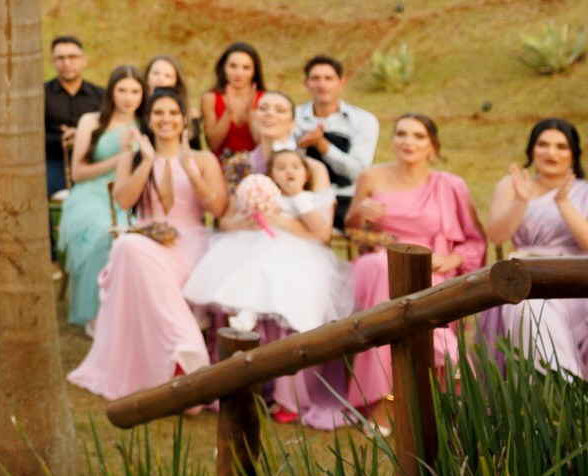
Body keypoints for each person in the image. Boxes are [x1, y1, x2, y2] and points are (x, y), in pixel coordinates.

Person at [67, 88, 226, 401]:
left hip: (189, 240)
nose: (165, 119)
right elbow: (125, 199)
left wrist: (190, 169)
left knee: (129, 249)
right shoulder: (135, 156)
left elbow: (217, 209)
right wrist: (147, 162)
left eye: (172, 113)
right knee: (128, 247)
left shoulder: (204, 159)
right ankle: (185, 349)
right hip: (146, 237)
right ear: (148, 120)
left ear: (184, 120)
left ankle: (181, 356)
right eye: (158, 113)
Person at [181, 145, 353, 426]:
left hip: (298, 252)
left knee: (274, 277)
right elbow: (230, 221)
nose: (288, 172)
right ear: (270, 174)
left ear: (306, 174)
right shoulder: (260, 193)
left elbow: (318, 231)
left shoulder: (308, 198)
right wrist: (253, 216)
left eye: (295, 167)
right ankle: (234, 345)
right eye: (281, 167)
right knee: (250, 268)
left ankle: (286, 393)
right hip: (257, 245)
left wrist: (292, 203)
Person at [344, 114, 485, 414]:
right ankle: (383, 402)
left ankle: (415, 397)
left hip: (431, 268)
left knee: (407, 293)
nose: (408, 141)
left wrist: (450, 259)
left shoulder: (450, 185)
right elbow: (353, 230)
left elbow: (475, 240)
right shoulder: (372, 177)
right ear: (393, 140)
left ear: (432, 147)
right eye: (401, 134)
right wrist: (360, 213)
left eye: (418, 136)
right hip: (378, 264)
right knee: (385, 269)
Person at [482, 118, 588, 376]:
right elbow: (496, 235)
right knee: (528, 308)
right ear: (532, 149)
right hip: (527, 275)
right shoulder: (512, 185)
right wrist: (521, 200)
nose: (551, 153)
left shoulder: (583, 191)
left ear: (573, 153)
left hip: (575, 280)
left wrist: (563, 202)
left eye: (561, 146)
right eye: (543, 144)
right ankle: (562, 381)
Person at [57, 65, 145, 327]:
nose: (128, 97)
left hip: (129, 193)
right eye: (122, 90)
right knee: (103, 233)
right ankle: (95, 314)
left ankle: (129, 310)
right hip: (91, 193)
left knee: (135, 234)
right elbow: (79, 172)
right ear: (111, 92)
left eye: (135, 91)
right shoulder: (91, 121)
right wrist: (120, 157)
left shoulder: (146, 124)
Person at [293, 55, 379, 230]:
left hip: (345, 197)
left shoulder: (363, 120)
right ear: (306, 83)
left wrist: (323, 146)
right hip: (303, 195)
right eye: (315, 78)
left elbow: (358, 173)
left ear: (342, 83)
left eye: (328, 78)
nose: (322, 85)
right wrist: (302, 147)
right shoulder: (293, 117)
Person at [42, 34, 103, 196]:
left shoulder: (101, 96)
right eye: (60, 58)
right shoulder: (40, 94)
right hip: (53, 162)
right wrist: (61, 138)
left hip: (91, 160)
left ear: (84, 60)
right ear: (53, 62)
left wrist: (82, 136)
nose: (67, 63)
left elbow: (108, 130)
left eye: (73, 57)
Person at [203, 41, 265, 157]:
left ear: (254, 71)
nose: (239, 73)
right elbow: (213, 144)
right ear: (224, 67)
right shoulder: (210, 98)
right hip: (221, 166)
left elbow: (263, 144)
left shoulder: (265, 99)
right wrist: (228, 113)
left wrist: (251, 113)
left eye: (246, 68)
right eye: (233, 66)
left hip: (257, 167)